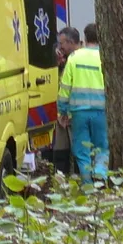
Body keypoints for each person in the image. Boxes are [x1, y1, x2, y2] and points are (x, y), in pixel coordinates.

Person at [57, 23, 108, 185]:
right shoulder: (105, 56)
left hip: (79, 112)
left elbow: (65, 88)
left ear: (85, 39)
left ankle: (87, 184)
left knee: (81, 150)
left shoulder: (75, 57)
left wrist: (63, 111)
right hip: (101, 111)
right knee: (102, 147)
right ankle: (100, 176)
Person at [52, 26, 81, 176]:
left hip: (75, 114)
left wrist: (66, 112)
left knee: (79, 154)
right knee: (60, 152)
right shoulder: (65, 61)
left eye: (61, 43)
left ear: (70, 42)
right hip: (62, 114)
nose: (60, 47)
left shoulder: (78, 59)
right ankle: (61, 183)